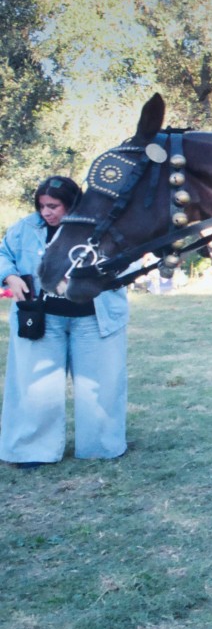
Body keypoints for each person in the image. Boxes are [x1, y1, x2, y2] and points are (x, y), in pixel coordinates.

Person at [1, 176, 130, 466]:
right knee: (35, 387)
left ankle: (101, 447)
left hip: (94, 321)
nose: (46, 212)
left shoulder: (101, 228)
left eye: (54, 206)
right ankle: (31, 451)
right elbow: (2, 254)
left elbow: (127, 260)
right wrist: (9, 275)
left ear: (72, 205)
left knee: (101, 385)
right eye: (42, 206)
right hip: (42, 320)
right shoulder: (25, 228)